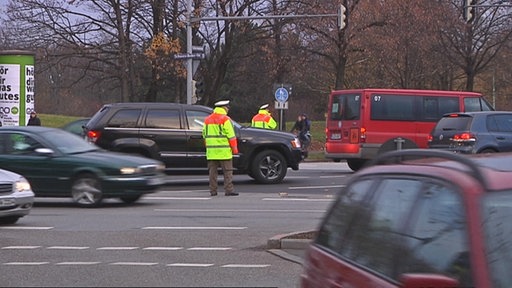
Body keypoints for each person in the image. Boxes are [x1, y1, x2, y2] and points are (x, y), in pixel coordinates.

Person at [202, 100, 239, 196]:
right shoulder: (225, 119)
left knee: (212, 173)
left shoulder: (207, 119)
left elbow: (204, 135)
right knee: (227, 171)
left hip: (211, 152)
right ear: (224, 108)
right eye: (227, 107)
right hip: (224, 151)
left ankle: (213, 191)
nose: (228, 109)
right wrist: (234, 149)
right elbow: (231, 136)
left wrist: (208, 147)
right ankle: (229, 190)